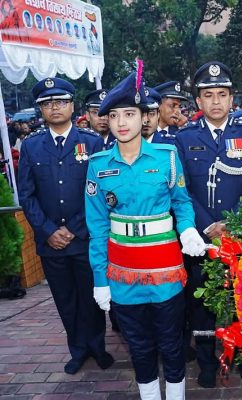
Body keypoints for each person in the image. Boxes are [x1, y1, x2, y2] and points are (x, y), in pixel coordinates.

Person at [85, 66, 208, 400]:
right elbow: (97, 228)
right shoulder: (97, 165)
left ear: (144, 118)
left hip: (165, 267)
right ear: (106, 121)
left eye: (130, 114)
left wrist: (188, 231)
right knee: (139, 346)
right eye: (114, 115)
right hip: (122, 273)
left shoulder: (167, 157)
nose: (122, 122)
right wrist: (99, 278)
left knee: (171, 342)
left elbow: (181, 202)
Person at [175, 61, 242, 388]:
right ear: (198, 101)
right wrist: (206, 225)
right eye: (208, 95)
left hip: (239, 235)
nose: (215, 101)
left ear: (232, 99)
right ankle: (206, 362)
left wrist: (232, 222)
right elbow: (180, 188)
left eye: (222, 94)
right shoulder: (183, 139)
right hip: (198, 239)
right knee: (201, 303)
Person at [18, 77, 113, 375]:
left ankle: (97, 346)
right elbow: (27, 195)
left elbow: (97, 192)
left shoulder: (92, 142)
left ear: (72, 105)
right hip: (50, 243)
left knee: (91, 296)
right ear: (41, 110)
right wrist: (48, 231)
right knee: (65, 299)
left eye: (59, 101)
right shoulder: (32, 146)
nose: (54, 107)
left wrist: (73, 228)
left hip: (85, 238)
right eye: (47, 104)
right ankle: (78, 349)